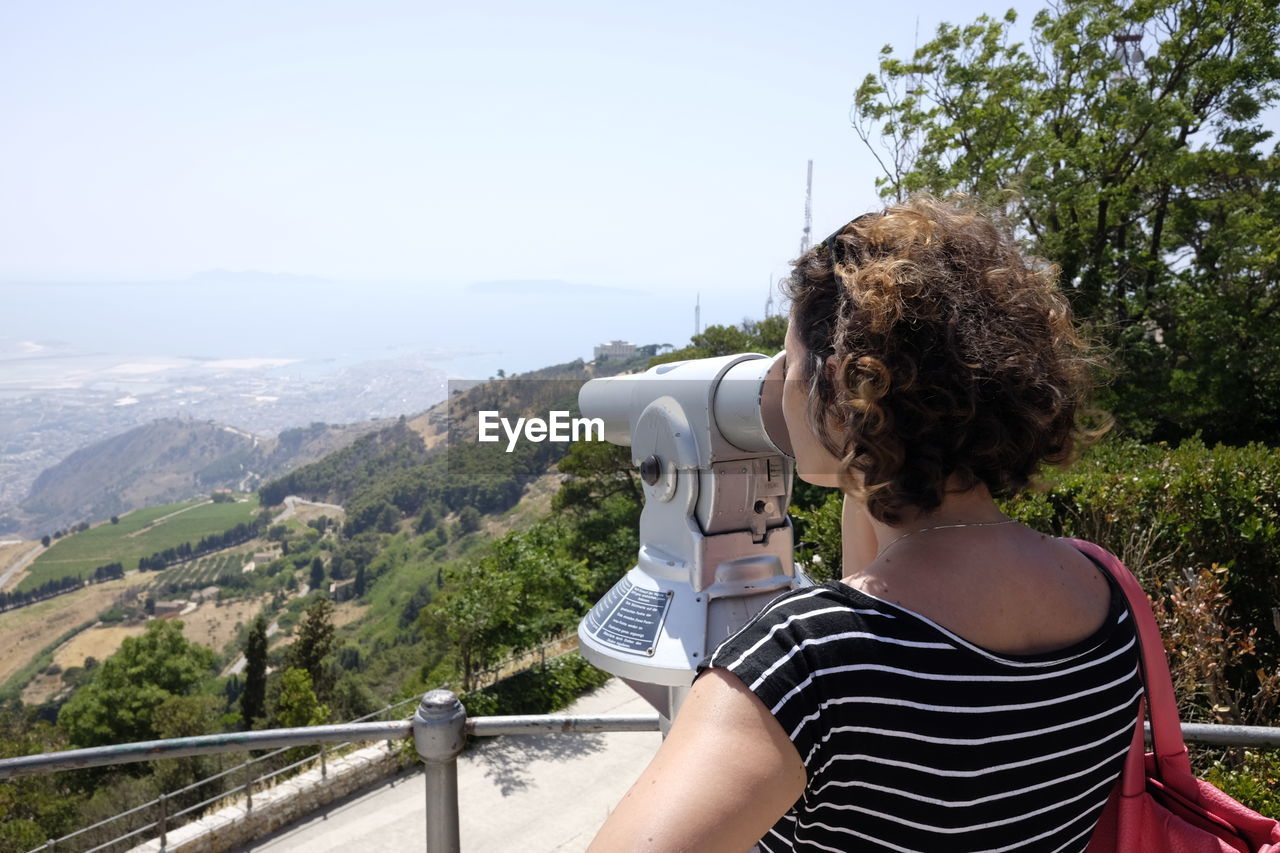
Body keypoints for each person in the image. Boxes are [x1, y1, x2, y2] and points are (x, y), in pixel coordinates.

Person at [588, 194, 1142, 853]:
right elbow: (881, 594)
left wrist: (859, 430)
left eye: (788, 365)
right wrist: (867, 450)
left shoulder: (807, 665)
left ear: (844, 386)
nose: (780, 386)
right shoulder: (1106, 593)